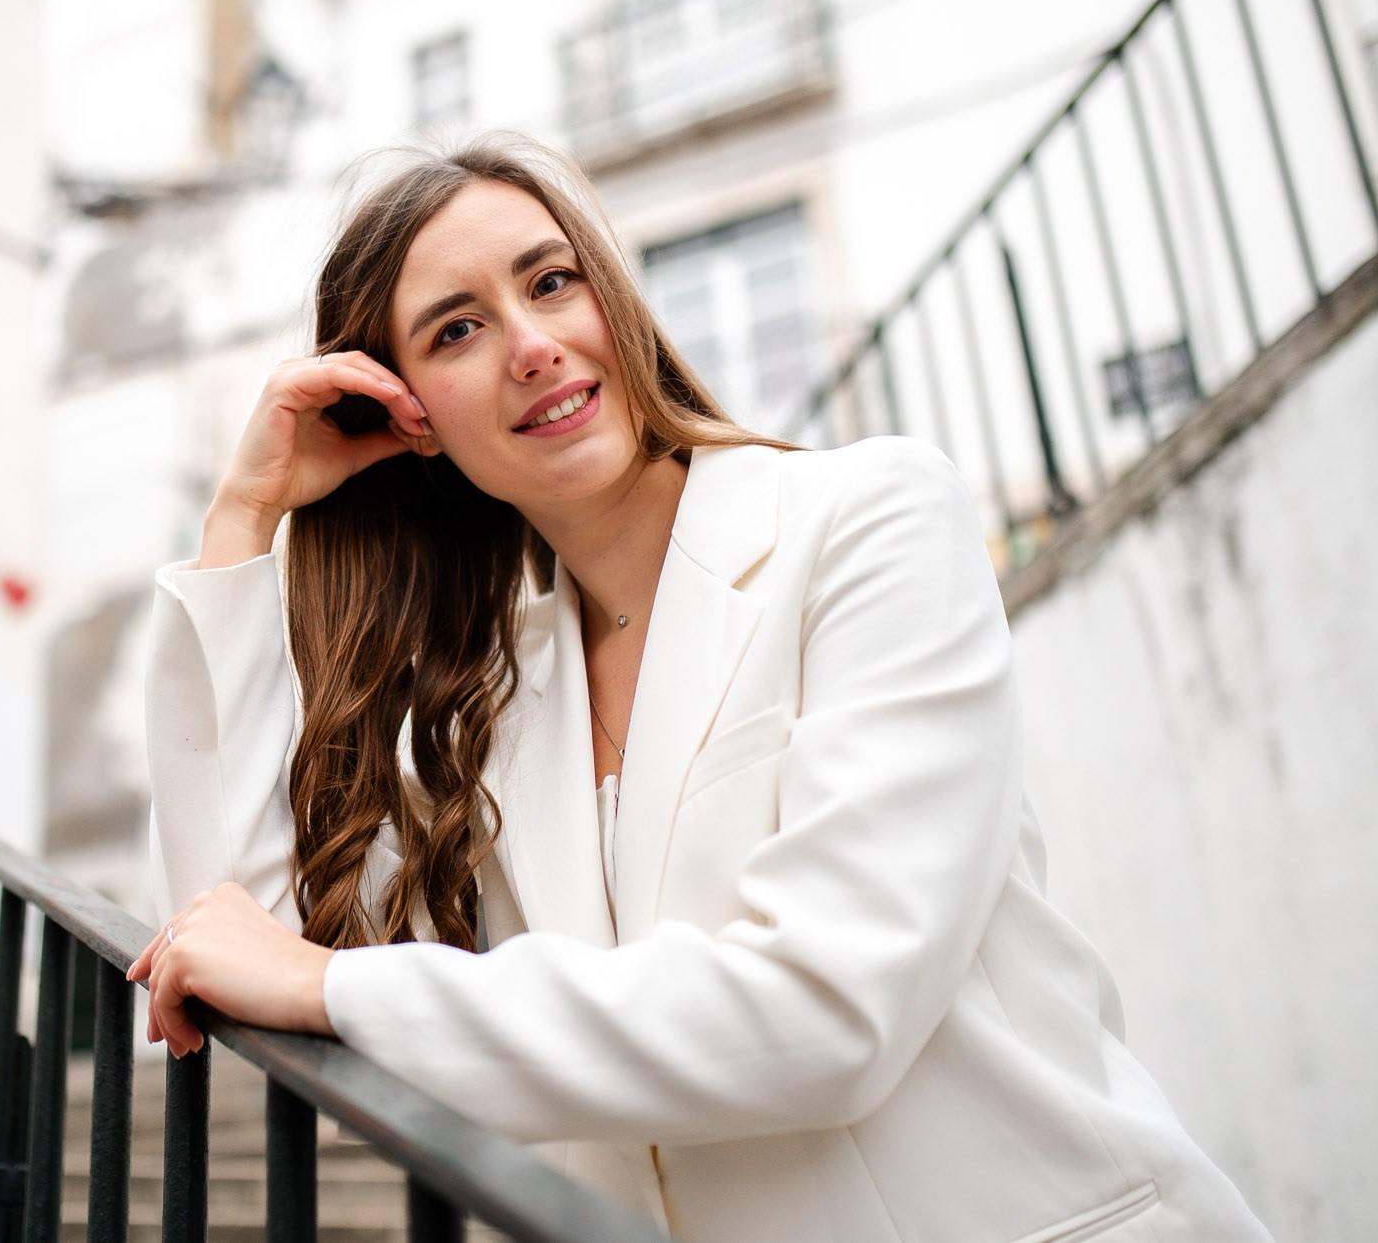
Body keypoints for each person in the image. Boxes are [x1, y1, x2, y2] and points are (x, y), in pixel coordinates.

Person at [126, 135, 1267, 1241]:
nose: (530, 344)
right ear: (402, 414)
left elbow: (827, 1011)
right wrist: (243, 519)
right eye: (457, 328)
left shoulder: (865, 521)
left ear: (612, 299)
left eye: (551, 280)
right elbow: (236, 941)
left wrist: (336, 987)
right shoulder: (497, 696)